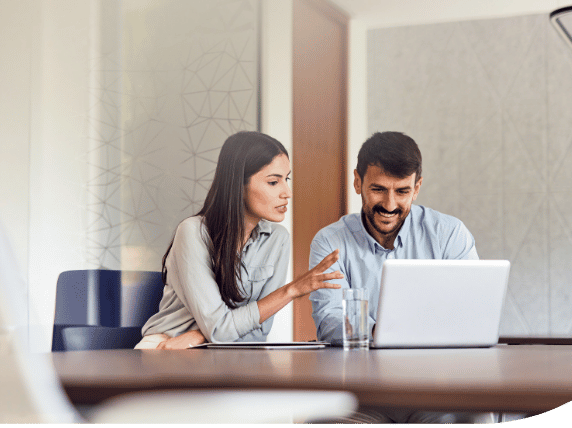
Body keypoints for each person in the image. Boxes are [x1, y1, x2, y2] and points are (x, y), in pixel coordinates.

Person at [309, 131, 494, 424]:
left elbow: (470, 316)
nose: (390, 204)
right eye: (378, 189)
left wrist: (382, 333)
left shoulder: (449, 234)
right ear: (357, 182)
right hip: (360, 397)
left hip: (437, 392)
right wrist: (387, 334)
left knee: (478, 415)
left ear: (417, 187)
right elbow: (330, 318)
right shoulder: (330, 241)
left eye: (402, 191)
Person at [137, 131, 343, 350]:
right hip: (168, 349)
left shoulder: (278, 239)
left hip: (227, 350)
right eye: (273, 182)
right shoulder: (192, 232)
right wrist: (291, 290)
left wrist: (199, 336)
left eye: (287, 179)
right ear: (238, 184)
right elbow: (219, 329)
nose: (287, 192)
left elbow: (258, 332)